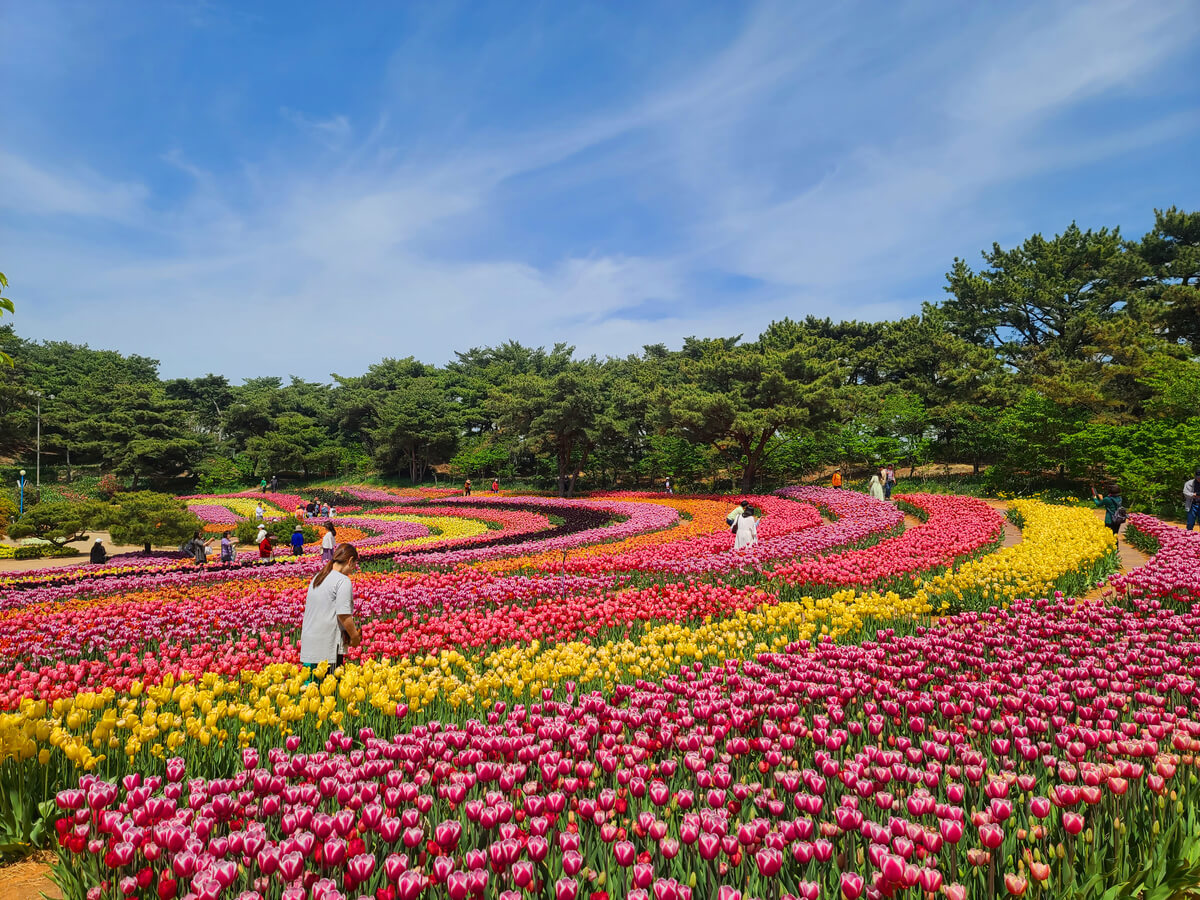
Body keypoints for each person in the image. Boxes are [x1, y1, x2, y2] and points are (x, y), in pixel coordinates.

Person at [299, 543, 362, 674]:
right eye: (354, 565)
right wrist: (354, 636)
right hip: (328, 646)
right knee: (329, 689)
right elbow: (343, 615)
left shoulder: (318, 577)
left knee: (313, 689)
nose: (353, 570)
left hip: (310, 644)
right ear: (350, 561)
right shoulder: (342, 581)